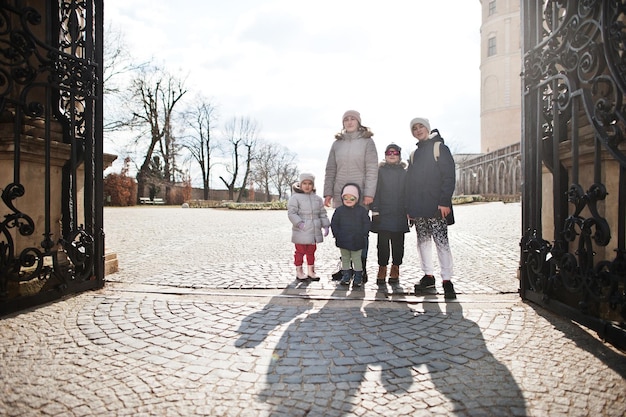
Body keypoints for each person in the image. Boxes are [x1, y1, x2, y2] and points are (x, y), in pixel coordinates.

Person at [405, 117, 457, 299]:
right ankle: (428, 276)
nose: (418, 130)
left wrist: (444, 202)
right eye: (415, 128)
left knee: (441, 243)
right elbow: (409, 184)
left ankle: (447, 280)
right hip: (419, 209)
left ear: (427, 128)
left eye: (421, 127)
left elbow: (449, 177)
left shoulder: (440, 149)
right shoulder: (413, 155)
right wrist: (409, 208)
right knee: (423, 243)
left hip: (436, 207)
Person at [324, 110, 378, 281]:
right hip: (341, 194)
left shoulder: (367, 142)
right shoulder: (337, 144)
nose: (349, 122)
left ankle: (360, 269)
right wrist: (328, 193)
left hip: (360, 195)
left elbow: (372, 169)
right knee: (344, 230)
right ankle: (345, 267)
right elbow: (330, 169)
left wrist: (369, 193)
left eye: (352, 119)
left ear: (359, 121)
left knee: (360, 231)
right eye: (345, 119)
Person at [370, 143, 410, 285]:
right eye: (389, 152)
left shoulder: (405, 172)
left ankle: (395, 267)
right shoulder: (379, 171)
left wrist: (409, 211)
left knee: (398, 244)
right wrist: (375, 209)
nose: (392, 155)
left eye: (395, 153)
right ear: (385, 155)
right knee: (382, 244)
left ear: (399, 155)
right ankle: (382, 267)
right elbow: (375, 191)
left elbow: (408, 193)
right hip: (383, 212)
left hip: (400, 213)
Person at [287, 173, 331, 281]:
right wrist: (299, 223)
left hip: (314, 231)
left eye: (310, 183)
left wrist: (325, 225)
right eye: (305, 183)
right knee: (300, 252)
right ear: (300, 185)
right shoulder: (295, 198)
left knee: (311, 251)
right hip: (301, 230)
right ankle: (299, 271)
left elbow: (322, 213)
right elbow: (292, 213)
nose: (307, 186)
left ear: (313, 185)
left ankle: (311, 271)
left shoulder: (317, 199)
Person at [330, 183, 371, 287]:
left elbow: (367, 223)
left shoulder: (361, 211)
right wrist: (337, 235)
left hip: (357, 240)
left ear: (356, 199)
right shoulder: (339, 211)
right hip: (343, 240)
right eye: (346, 198)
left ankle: (358, 278)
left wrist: (363, 234)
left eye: (352, 198)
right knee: (345, 259)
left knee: (357, 260)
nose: (348, 200)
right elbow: (334, 223)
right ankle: (346, 276)